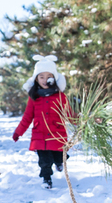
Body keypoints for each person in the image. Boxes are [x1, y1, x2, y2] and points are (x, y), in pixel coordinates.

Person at [12, 55, 70, 189]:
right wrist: (18, 132)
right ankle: (46, 179)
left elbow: (69, 114)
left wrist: (82, 122)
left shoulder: (60, 96)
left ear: (54, 78)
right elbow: (27, 117)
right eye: (41, 77)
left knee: (59, 157)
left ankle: (60, 162)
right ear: (36, 79)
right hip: (40, 135)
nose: (44, 80)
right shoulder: (34, 97)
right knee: (44, 161)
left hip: (57, 134)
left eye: (48, 76)